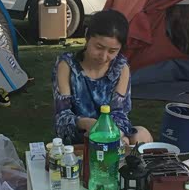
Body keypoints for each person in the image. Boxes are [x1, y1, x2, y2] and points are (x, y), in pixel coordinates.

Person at [52, 9, 153, 145]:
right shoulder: (67, 65)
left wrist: (114, 134)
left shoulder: (120, 68)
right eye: (99, 47)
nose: (104, 57)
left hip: (110, 133)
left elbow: (119, 114)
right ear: (87, 36)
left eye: (112, 51)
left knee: (141, 134)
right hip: (78, 135)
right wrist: (85, 123)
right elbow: (62, 116)